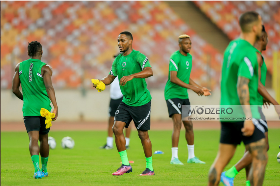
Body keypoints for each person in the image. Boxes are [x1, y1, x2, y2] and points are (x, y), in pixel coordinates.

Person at [208, 11, 267, 186]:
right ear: (255, 27)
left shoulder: (231, 47)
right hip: (242, 112)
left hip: (227, 111)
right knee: (261, 156)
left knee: (220, 161)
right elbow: (242, 85)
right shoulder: (249, 52)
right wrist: (248, 118)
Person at [220, 25, 280, 186]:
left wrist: (264, 98)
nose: (268, 41)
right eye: (267, 38)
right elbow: (258, 84)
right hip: (252, 108)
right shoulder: (256, 55)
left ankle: (248, 183)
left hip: (251, 105)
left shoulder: (249, 54)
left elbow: (253, 83)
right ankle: (229, 173)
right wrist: (275, 103)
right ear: (262, 38)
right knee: (263, 146)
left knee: (251, 148)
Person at [92, 31, 154, 176]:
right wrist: (100, 82)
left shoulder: (138, 56)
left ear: (131, 41)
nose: (119, 43)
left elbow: (150, 71)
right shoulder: (117, 60)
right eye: (118, 41)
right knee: (117, 128)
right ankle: (125, 165)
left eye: (123, 40)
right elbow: (110, 78)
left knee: (143, 135)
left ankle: (149, 168)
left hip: (142, 101)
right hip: (126, 102)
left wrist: (132, 75)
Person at [12, 41, 58, 179]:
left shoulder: (19, 66)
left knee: (33, 138)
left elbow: (14, 89)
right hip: (44, 109)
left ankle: (37, 170)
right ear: (41, 52)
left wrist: (26, 100)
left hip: (29, 109)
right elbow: (49, 87)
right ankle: (44, 169)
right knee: (44, 139)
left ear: (28, 52)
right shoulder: (45, 68)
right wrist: (55, 106)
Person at [164, 34, 211, 165]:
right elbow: (173, 78)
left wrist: (199, 88)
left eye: (190, 43)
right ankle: (174, 158)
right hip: (173, 94)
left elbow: (186, 77)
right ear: (180, 45)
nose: (189, 46)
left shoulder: (189, 57)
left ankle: (191, 157)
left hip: (183, 95)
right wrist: (192, 88)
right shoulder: (175, 57)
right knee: (177, 124)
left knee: (189, 125)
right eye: (186, 44)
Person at [100, 54, 132, 149]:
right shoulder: (112, 72)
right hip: (113, 98)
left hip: (122, 97)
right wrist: (100, 83)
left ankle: (126, 143)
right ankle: (109, 144)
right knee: (111, 120)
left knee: (126, 121)